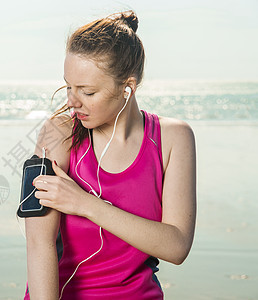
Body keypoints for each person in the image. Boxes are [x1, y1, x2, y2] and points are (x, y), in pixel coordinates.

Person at [22, 9, 197, 300]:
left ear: (127, 88)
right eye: (69, 86)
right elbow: (38, 245)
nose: (72, 101)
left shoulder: (174, 138)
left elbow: (176, 247)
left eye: (87, 92)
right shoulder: (57, 131)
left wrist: (84, 204)